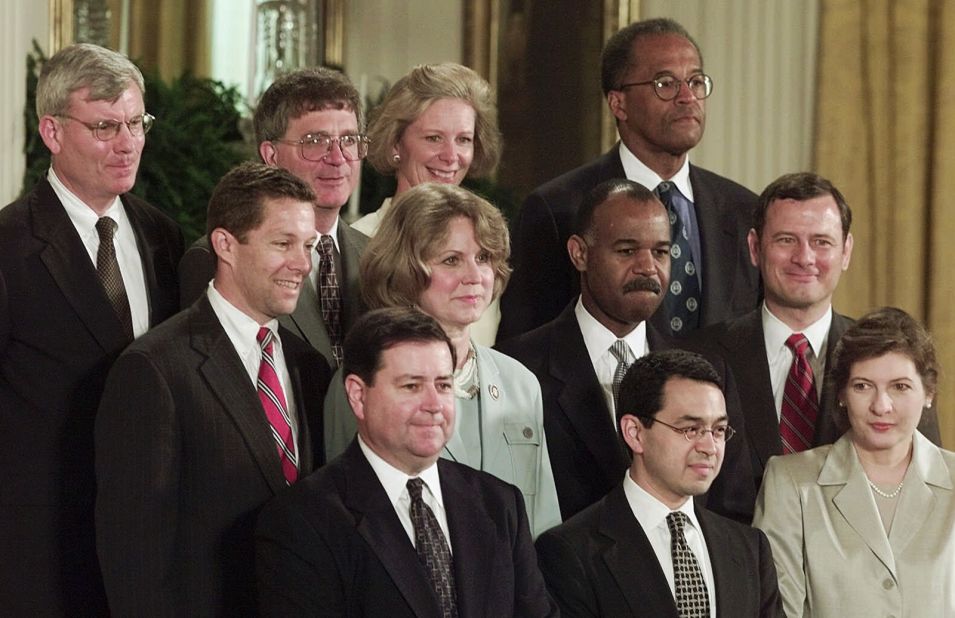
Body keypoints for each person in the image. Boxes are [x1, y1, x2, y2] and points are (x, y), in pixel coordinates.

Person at [95, 162, 331, 615]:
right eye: (282, 243)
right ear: (225, 245)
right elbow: (134, 559)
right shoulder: (154, 370)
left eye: (308, 245)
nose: (302, 264)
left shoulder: (311, 367)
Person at [0, 43, 184, 613]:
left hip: (149, 543)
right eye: (106, 126)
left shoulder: (165, 238)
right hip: (39, 550)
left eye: (136, 123)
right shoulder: (8, 247)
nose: (128, 143)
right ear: (52, 132)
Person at [255, 307, 557, 616]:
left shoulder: (500, 504)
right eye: (411, 386)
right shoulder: (302, 521)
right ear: (358, 396)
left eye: (443, 385)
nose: (434, 405)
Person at [498, 179, 754, 522]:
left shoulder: (708, 371)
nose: (648, 267)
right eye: (627, 251)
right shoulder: (517, 368)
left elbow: (731, 514)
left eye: (661, 252)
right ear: (580, 254)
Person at [499, 17, 759, 342]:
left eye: (695, 82)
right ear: (618, 103)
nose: (687, 97)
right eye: (665, 83)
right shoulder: (557, 209)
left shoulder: (744, 209)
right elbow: (522, 353)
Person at [326, 183, 561, 537]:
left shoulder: (521, 382)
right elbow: (346, 524)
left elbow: (544, 529)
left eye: (483, 258)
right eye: (452, 260)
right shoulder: (363, 381)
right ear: (404, 269)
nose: (474, 277)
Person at [687, 172, 941, 491]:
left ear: (846, 251)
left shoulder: (896, 362)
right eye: (786, 240)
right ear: (754, 248)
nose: (804, 258)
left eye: (821, 242)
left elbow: (925, 487)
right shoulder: (699, 356)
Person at [536, 350, 783, 617]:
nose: (710, 447)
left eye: (719, 430)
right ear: (635, 433)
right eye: (690, 429)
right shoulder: (570, 551)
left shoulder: (749, 547)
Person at [754, 307, 955, 618]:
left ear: (928, 392)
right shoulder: (791, 482)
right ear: (842, 394)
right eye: (863, 386)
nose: (881, 406)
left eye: (900, 387)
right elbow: (777, 610)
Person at [179, 67, 369, 367]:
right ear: (270, 155)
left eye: (348, 140)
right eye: (316, 141)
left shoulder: (377, 255)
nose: (338, 158)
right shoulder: (219, 258)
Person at [354, 62, 502, 345]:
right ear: (396, 145)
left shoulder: (486, 250)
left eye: (463, 140)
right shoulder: (359, 243)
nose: (451, 156)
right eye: (434, 138)